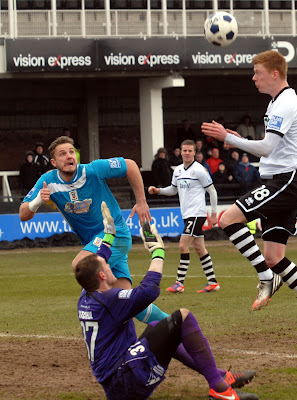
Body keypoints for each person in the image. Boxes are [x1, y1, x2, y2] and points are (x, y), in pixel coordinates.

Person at [201, 50, 297, 343]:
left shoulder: (285, 103)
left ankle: (265, 277)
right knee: (274, 256)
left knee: (228, 219)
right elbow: (270, 146)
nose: (254, 77)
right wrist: (236, 138)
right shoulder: (279, 101)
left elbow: (265, 148)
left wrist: (228, 137)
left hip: (287, 180)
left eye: (258, 73)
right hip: (286, 180)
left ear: (274, 74)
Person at [75, 205, 258, 400]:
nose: (110, 265)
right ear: (102, 275)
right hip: (126, 380)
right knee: (183, 317)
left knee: (160, 327)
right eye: (107, 266)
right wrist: (157, 251)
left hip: (115, 382)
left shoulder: (87, 294)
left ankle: (220, 377)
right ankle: (220, 390)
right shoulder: (110, 300)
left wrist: (110, 234)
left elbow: (100, 258)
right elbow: (148, 291)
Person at [19, 135, 167, 325]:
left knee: (81, 266)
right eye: (62, 154)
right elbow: (23, 214)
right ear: (54, 162)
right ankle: (174, 325)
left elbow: (130, 165)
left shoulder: (93, 169)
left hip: (115, 234)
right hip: (97, 242)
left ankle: (98, 322)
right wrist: (39, 200)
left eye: (71, 152)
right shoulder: (48, 181)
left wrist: (141, 201)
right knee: (126, 301)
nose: (69, 156)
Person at [148, 140, 220, 293]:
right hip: (187, 214)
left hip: (197, 214)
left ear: (195, 153)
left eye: (190, 151)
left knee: (182, 245)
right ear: (180, 152)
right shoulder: (178, 170)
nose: (187, 153)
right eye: (184, 150)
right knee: (200, 248)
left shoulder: (200, 170)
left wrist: (213, 214)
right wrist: (158, 191)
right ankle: (213, 282)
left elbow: (212, 191)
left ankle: (179, 282)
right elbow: (174, 190)